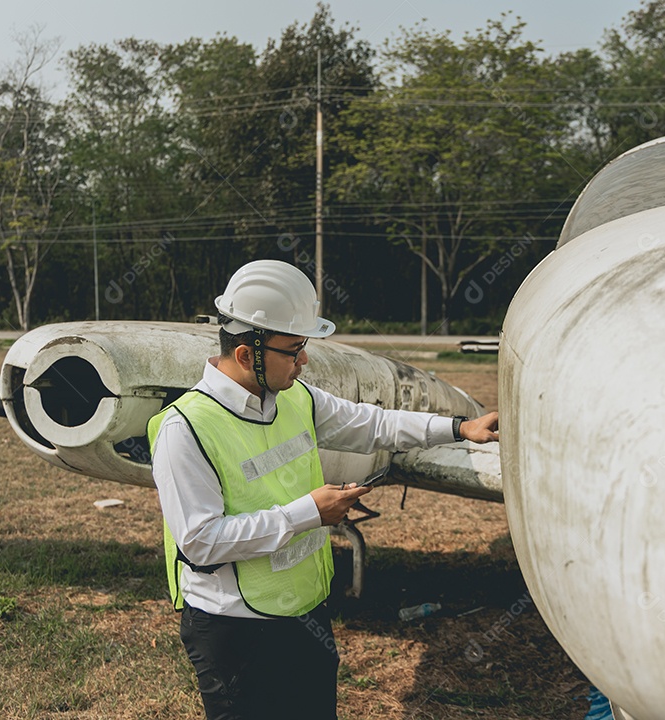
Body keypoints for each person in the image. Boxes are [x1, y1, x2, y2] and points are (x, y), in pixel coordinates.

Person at [148, 259, 499, 720]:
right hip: (234, 631)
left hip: (304, 614)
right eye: (294, 349)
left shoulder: (295, 397)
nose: (304, 360)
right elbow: (201, 542)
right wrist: (309, 513)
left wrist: (459, 427)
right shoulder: (185, 428)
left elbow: (372, 424)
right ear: (246, 354)